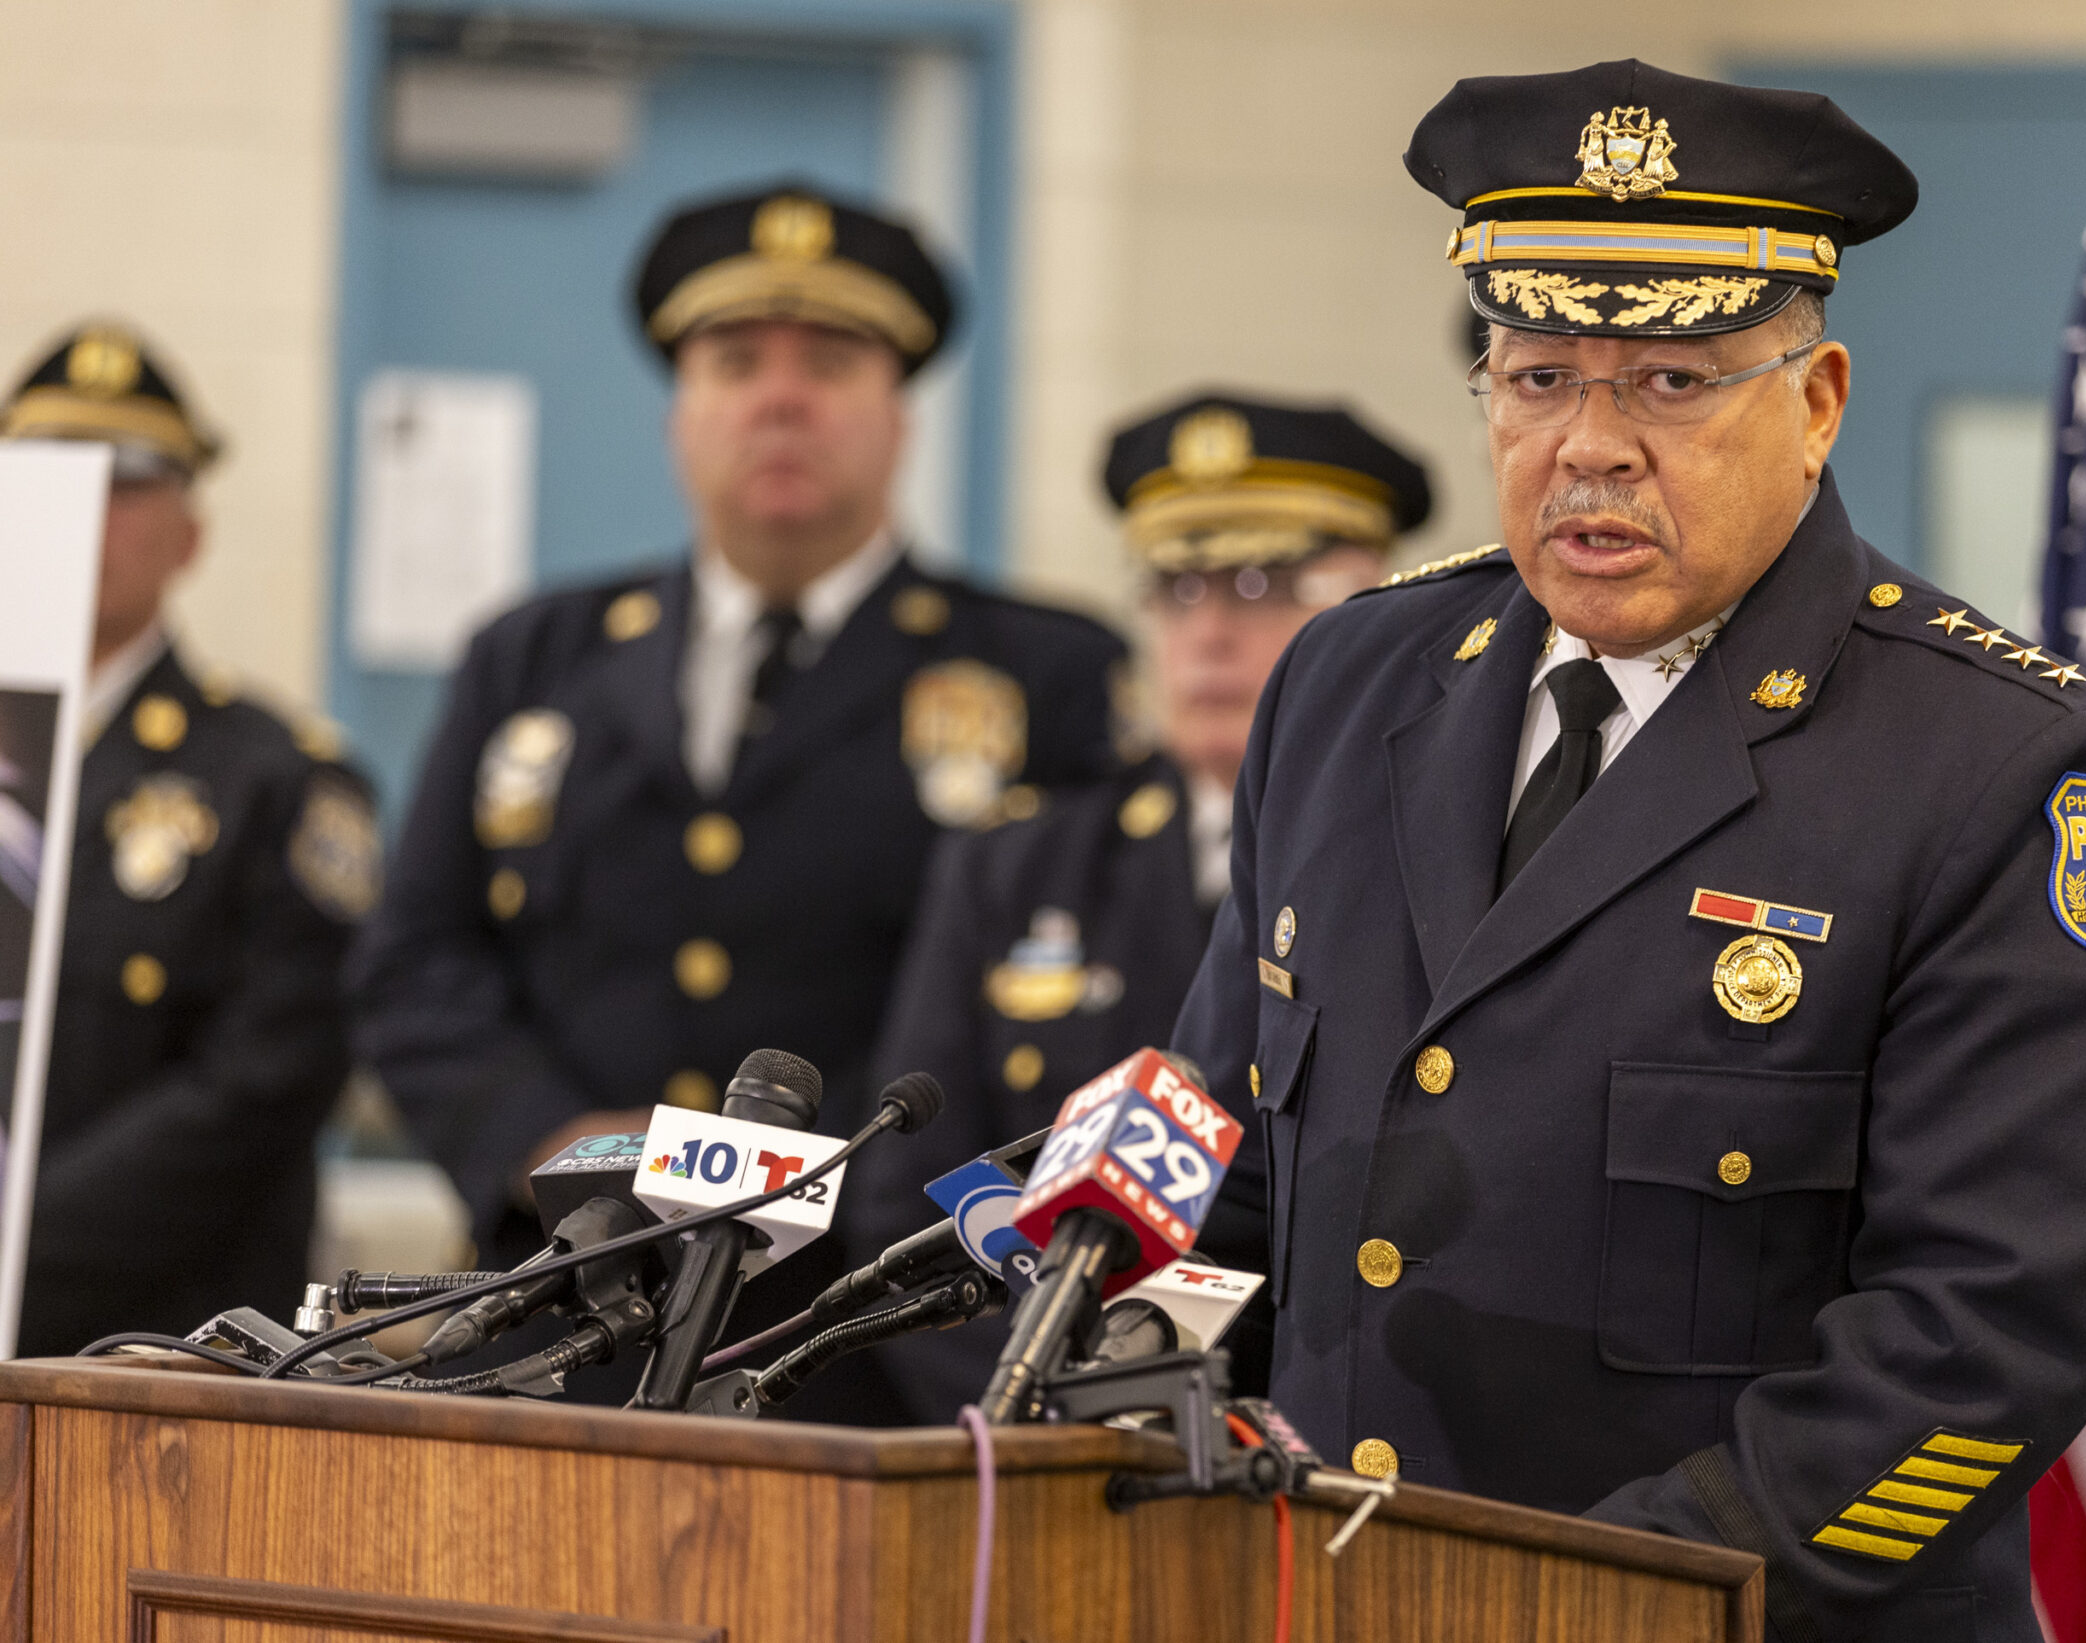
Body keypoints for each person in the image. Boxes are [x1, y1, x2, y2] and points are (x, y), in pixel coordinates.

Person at [1167, 61, 2086, 1642]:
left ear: (1818, 400)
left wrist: (1574, 1601)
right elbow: (1216, 1164)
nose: (1591, 445)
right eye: (1538, 375)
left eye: (1671, 380)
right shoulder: (1349, 680)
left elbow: (1982, 1342)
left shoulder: (2007, 766)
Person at [347, 185, 1128, 1406]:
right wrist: (547, 1140)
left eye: (831, 362)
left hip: (869, 1342)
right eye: (735, 362)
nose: (781, 397)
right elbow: (415, 960)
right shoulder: (533, 657)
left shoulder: (1045, 677)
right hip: (561, 1319)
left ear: (900, 415)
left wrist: (826, 1184)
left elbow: (1078, 1002)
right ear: (680, 412)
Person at [851, 392, 1431, 1420]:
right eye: (1176, 588)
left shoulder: (1441, 863)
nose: (1208, 632)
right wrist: (1060, 1416)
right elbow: (909, 1203)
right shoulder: (1018, 866)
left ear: (1376, 603)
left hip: (1323, 1440)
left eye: (1263, 585)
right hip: (1035, 1439)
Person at [0, 322, 377, 1355]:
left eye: (125, 482)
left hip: (158, 1354)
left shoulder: (280, 781)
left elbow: (258, 1091)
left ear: (190, 535)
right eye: (52, 474)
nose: (84, 510)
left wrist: (15, 1238)